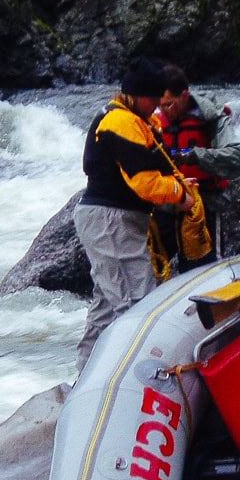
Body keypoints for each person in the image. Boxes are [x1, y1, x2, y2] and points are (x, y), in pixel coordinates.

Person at [74, 56, 197, 371]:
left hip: (110, 218)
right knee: (136, 304)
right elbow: (145, 183)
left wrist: (177, 184)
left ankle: (88, 373)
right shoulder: (121, 122)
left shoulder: (134, 119)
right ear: (136, 94)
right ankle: (130, 378)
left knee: (106, 303)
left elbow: (155, 170)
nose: (157, 105)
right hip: (111, 220)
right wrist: (179, 194)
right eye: (153, 98)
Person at [155, 64, 240, 272]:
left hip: (205, 204)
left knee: (205, 272)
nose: (164, 111)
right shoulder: (155, 123)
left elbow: (237, 158)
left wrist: (194, 156)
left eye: (169, 104)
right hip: (168, 205)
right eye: (160, 105)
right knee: (154, 268)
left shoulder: (211, 118)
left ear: (185, 95)